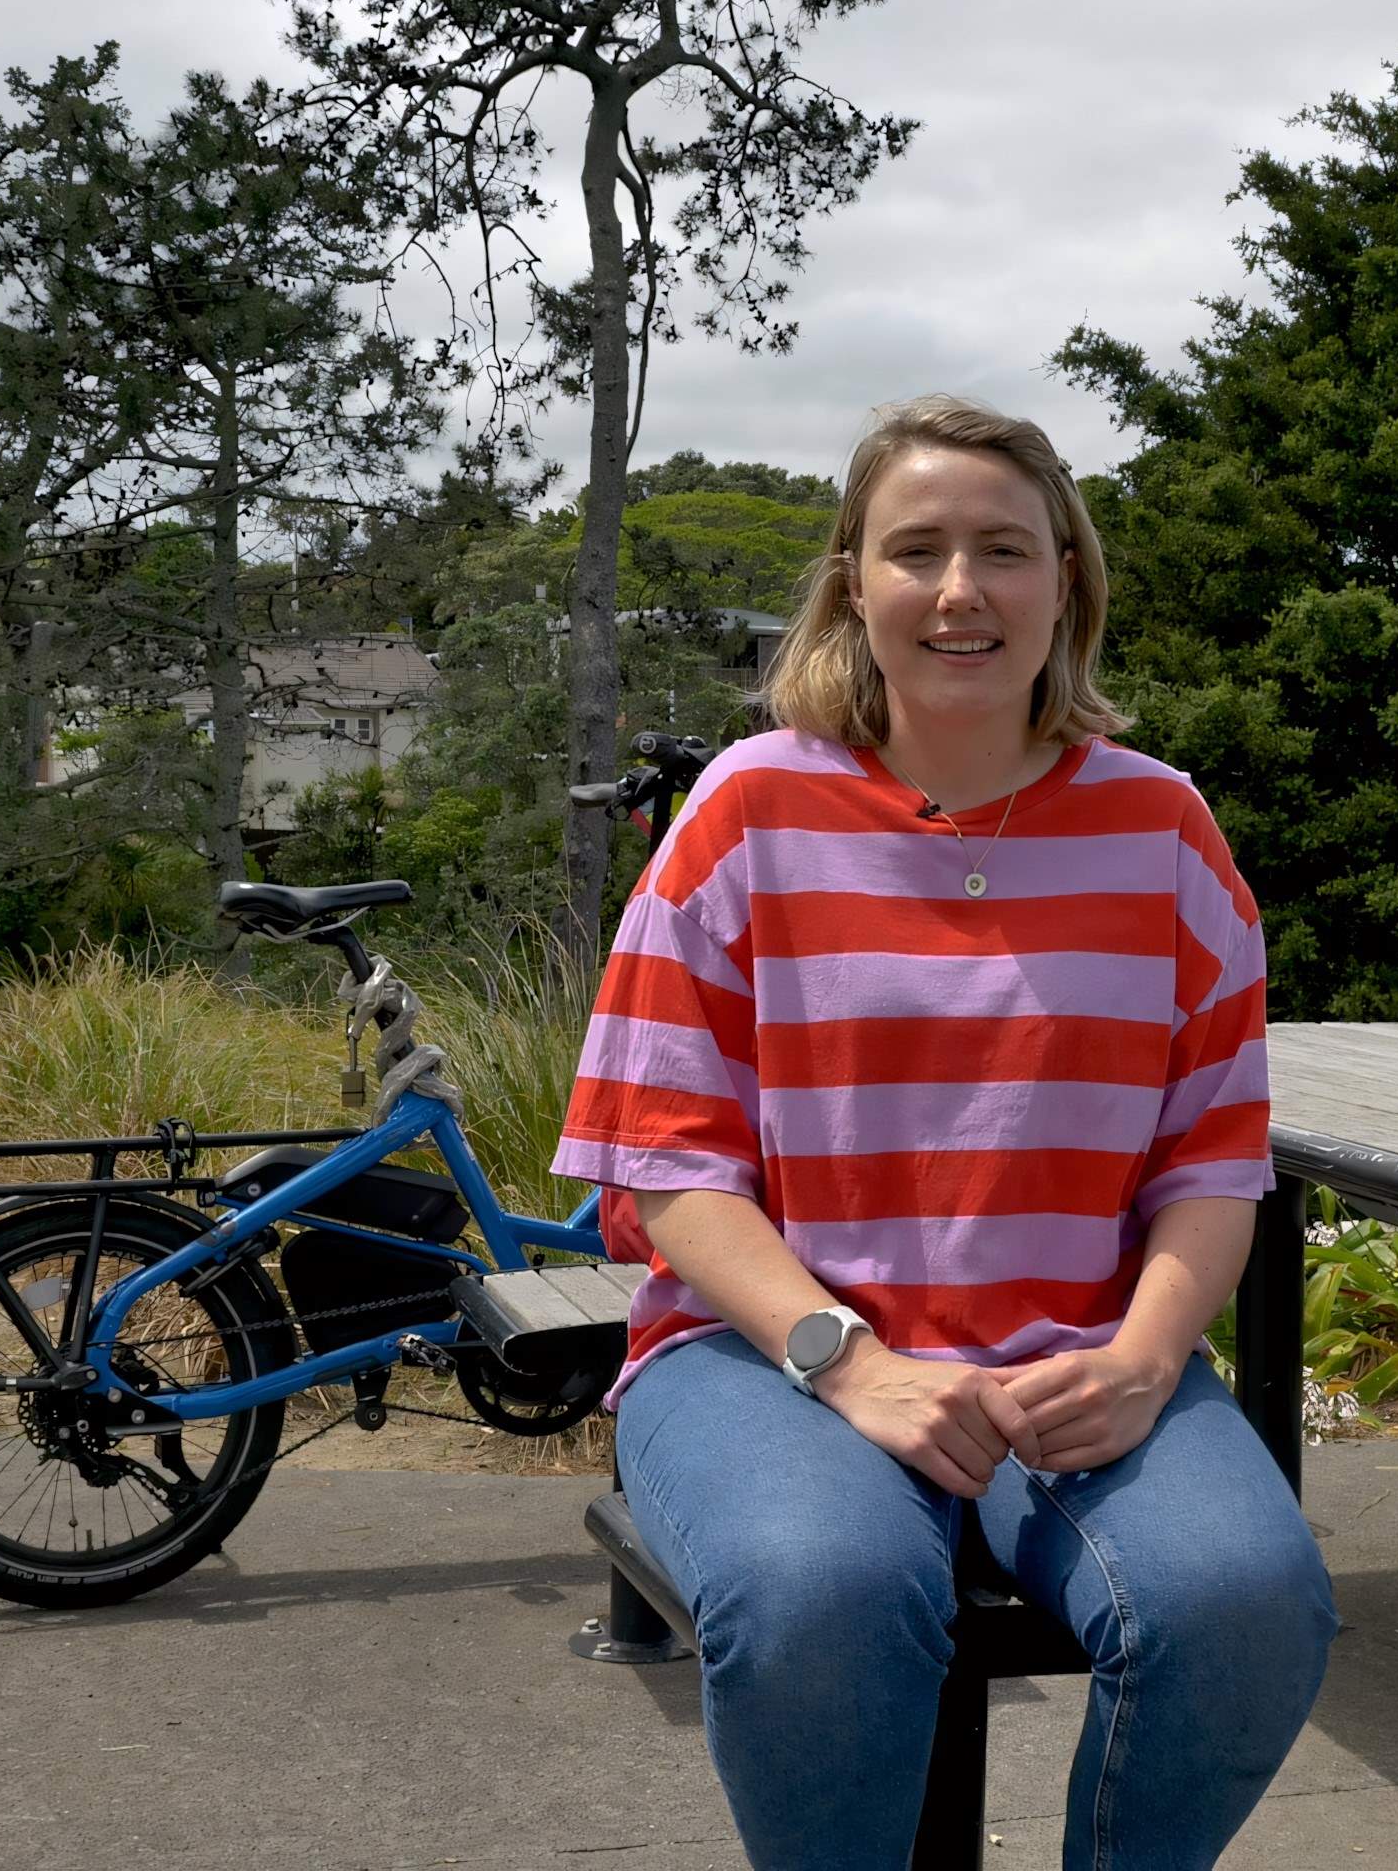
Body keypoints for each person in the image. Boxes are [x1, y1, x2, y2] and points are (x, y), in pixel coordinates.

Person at [553, 395, 1336, 1871]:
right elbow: (669, 1165)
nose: (961, 588)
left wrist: (1146, 1359)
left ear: (1067, 580)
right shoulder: (746, 810)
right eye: (916, 550)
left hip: (1073, 1361)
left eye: (1005, 550)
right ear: (855, 584)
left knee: (1241, 1605)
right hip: (767, 1361)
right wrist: (851, 1364)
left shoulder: (1166, 831)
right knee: (821, 1598)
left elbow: (1211, 1162)